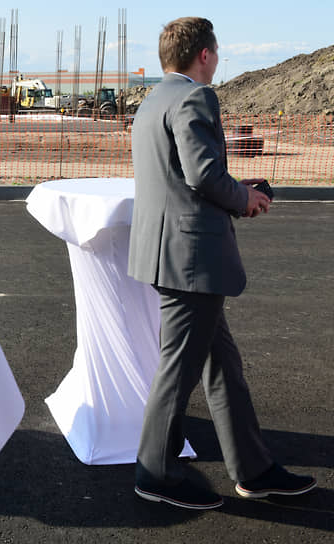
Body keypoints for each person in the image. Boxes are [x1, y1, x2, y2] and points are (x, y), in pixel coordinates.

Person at [128, 17, 316, 510]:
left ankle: (254, 470)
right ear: (205, 55)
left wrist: (237, 189)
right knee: (178, 369)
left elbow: (179, 175)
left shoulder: (153, 99)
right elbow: (203, 175)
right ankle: (155, 473)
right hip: (192, 259)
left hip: (169, 254)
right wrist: (244, 198)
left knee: (222, 366)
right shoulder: (196, 97)